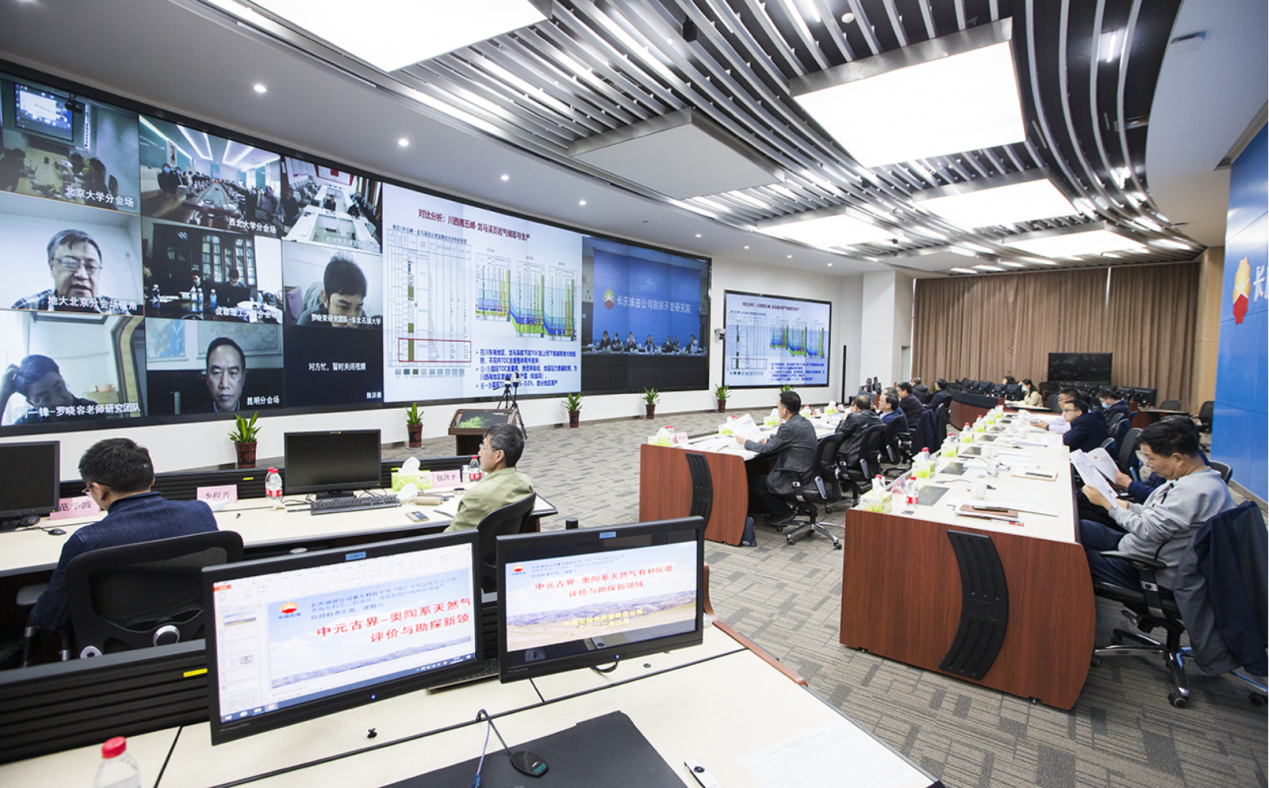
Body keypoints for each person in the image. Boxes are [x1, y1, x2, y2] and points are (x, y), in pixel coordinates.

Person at [28, 438, 220, 634]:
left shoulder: (86, 541)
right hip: (198, 637)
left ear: (99, 490)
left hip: (119, 647)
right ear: (151, 479)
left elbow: (49, 618)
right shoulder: (200, 513)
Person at [1079, 420, 1233, 591]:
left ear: (1177, 458)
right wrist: (1125, 505)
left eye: (1151, 458)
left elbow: (1148, 530)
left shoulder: (1192, 491)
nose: (1148, 465)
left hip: (1149, 569)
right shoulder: (1201, 478)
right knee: (1081, 528)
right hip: (1139, 548)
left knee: (1073, 558)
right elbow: (1155, 514)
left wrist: (1109, 505)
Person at [735, 391, 817, 526]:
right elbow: (789, 440)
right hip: (806, 473)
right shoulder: (805, 422)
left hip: (795, 476)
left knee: (754, 481)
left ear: (785, 411)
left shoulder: (788, 427)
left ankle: (782, 512)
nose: (777, 409)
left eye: (778, 406)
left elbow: (767, 450)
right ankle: (781, 507)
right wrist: (769, 439)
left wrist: (745, 442)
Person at [12, 229, 131, 314]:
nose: (82, 275)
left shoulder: (117, 309)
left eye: (91, 266)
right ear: (52, 266)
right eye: (69, 264)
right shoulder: (26, 307)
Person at [444, 424, 535, 533]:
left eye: (483, 447)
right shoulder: (525, 483)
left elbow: (451, 536)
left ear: (498, 455)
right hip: (504, 543)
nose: (479, 453)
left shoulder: (477, 496)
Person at [0, 355, 111, 426]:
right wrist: (3, 395)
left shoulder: (90, 410)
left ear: (62, 379)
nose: (59, 402)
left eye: (59, 389)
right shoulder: (29, 421)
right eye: (45, 398)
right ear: (31, 402)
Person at [298, 256, 372, 328]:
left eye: (358, 308)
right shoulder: (308, 321)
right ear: (325, 299)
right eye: (343, 307)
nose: (351, 323)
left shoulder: (361, 319)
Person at [835, 395, 882, 470]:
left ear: (856, 407)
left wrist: (843, 420)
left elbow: (838, 435)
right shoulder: (877, 419)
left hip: (850, 457)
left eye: (852, 406)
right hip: (867, 457)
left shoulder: (854, 417)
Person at [204, 337, 246, 412]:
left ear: (243, 377)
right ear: (207, 378)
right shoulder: (193, 417)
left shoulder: (260, 413)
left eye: (233, 373)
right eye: (216, 373)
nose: (224, 384)